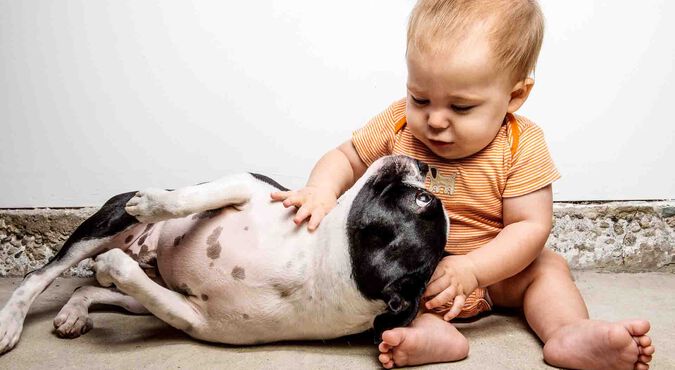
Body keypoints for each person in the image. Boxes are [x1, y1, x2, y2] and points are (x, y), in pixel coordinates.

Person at [271, 0, 655, 368]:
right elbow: (346, 156)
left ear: (515, 96)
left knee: (547, 268)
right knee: (380, 285)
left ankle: (568, 332)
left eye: (460, 107)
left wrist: (474, 270)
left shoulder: (521, 144)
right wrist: (322, 189)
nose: (435, 120)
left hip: (495, 273)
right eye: (420, 98)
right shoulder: (399, 125)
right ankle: (433, 337)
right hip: (416, 272)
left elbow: (530, 225)